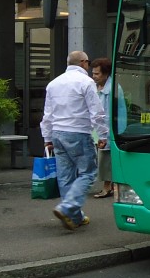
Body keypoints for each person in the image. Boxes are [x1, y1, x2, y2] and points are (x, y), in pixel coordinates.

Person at [41, 51, 108, 230]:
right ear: (84, 63)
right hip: (79, 132)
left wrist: (47, 137)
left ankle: (74, 217)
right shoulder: (86, 82)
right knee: (88, 173)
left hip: (57, 133)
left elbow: (47, 115)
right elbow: (96, 112)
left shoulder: (53, 84)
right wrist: (103, 135)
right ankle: (67, 207)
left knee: (65, 176)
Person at [90, 57, 126, 198]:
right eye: (93, 73)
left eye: (97, 74)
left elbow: (113, 114)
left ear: (106, 74)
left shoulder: (113, 89)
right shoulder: (94, 87)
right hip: (96, 129)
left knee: (106, 159)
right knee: (102, 158)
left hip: (107, 129)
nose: (94, 76)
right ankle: (108, 185)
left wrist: (107, 134)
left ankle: (107, 187)